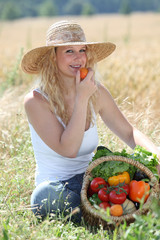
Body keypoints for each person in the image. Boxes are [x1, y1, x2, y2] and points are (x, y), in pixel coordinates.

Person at [21, 20, 160, 223]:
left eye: (82, 50)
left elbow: (129, 132)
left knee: (148, 172)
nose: (79, 58)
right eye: (69, 51)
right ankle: (116, 212)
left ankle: (104, 212)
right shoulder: (36, 101)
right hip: (60, 187)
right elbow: (68, 149)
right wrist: (82, 98)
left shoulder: (97, 91)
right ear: (53, 57)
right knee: (43, 198)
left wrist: (156, 154)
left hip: (94, 182)